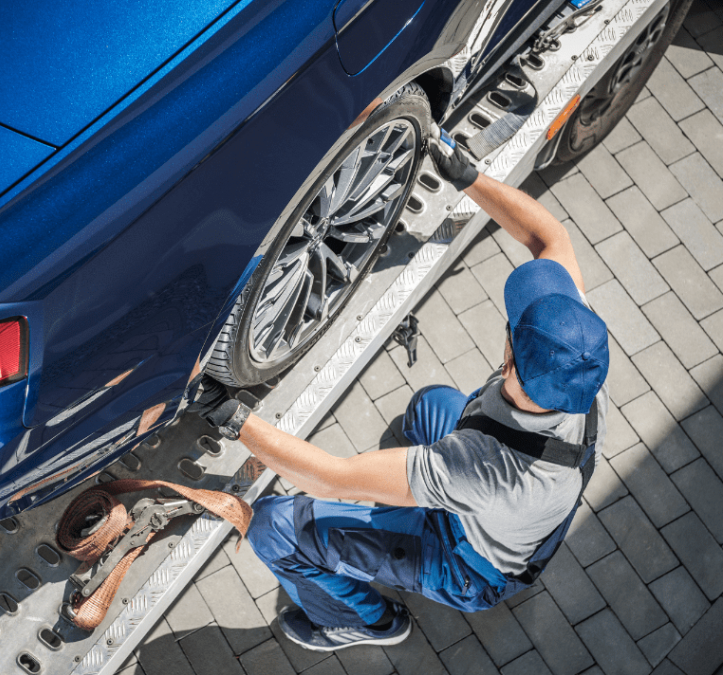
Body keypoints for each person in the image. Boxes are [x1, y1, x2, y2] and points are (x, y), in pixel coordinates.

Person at [189, 127, 610, 652]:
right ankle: (397, 510)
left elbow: (331, 479)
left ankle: (366, 621)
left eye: (513, 324)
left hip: (465, 564)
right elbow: (551, 240)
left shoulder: (480, 468)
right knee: (432, 404)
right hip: (509, 509)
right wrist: (470, 178)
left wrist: (225, 412)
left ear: (511, 365)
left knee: (274, 527)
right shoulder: (579, 353)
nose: (515, 318)